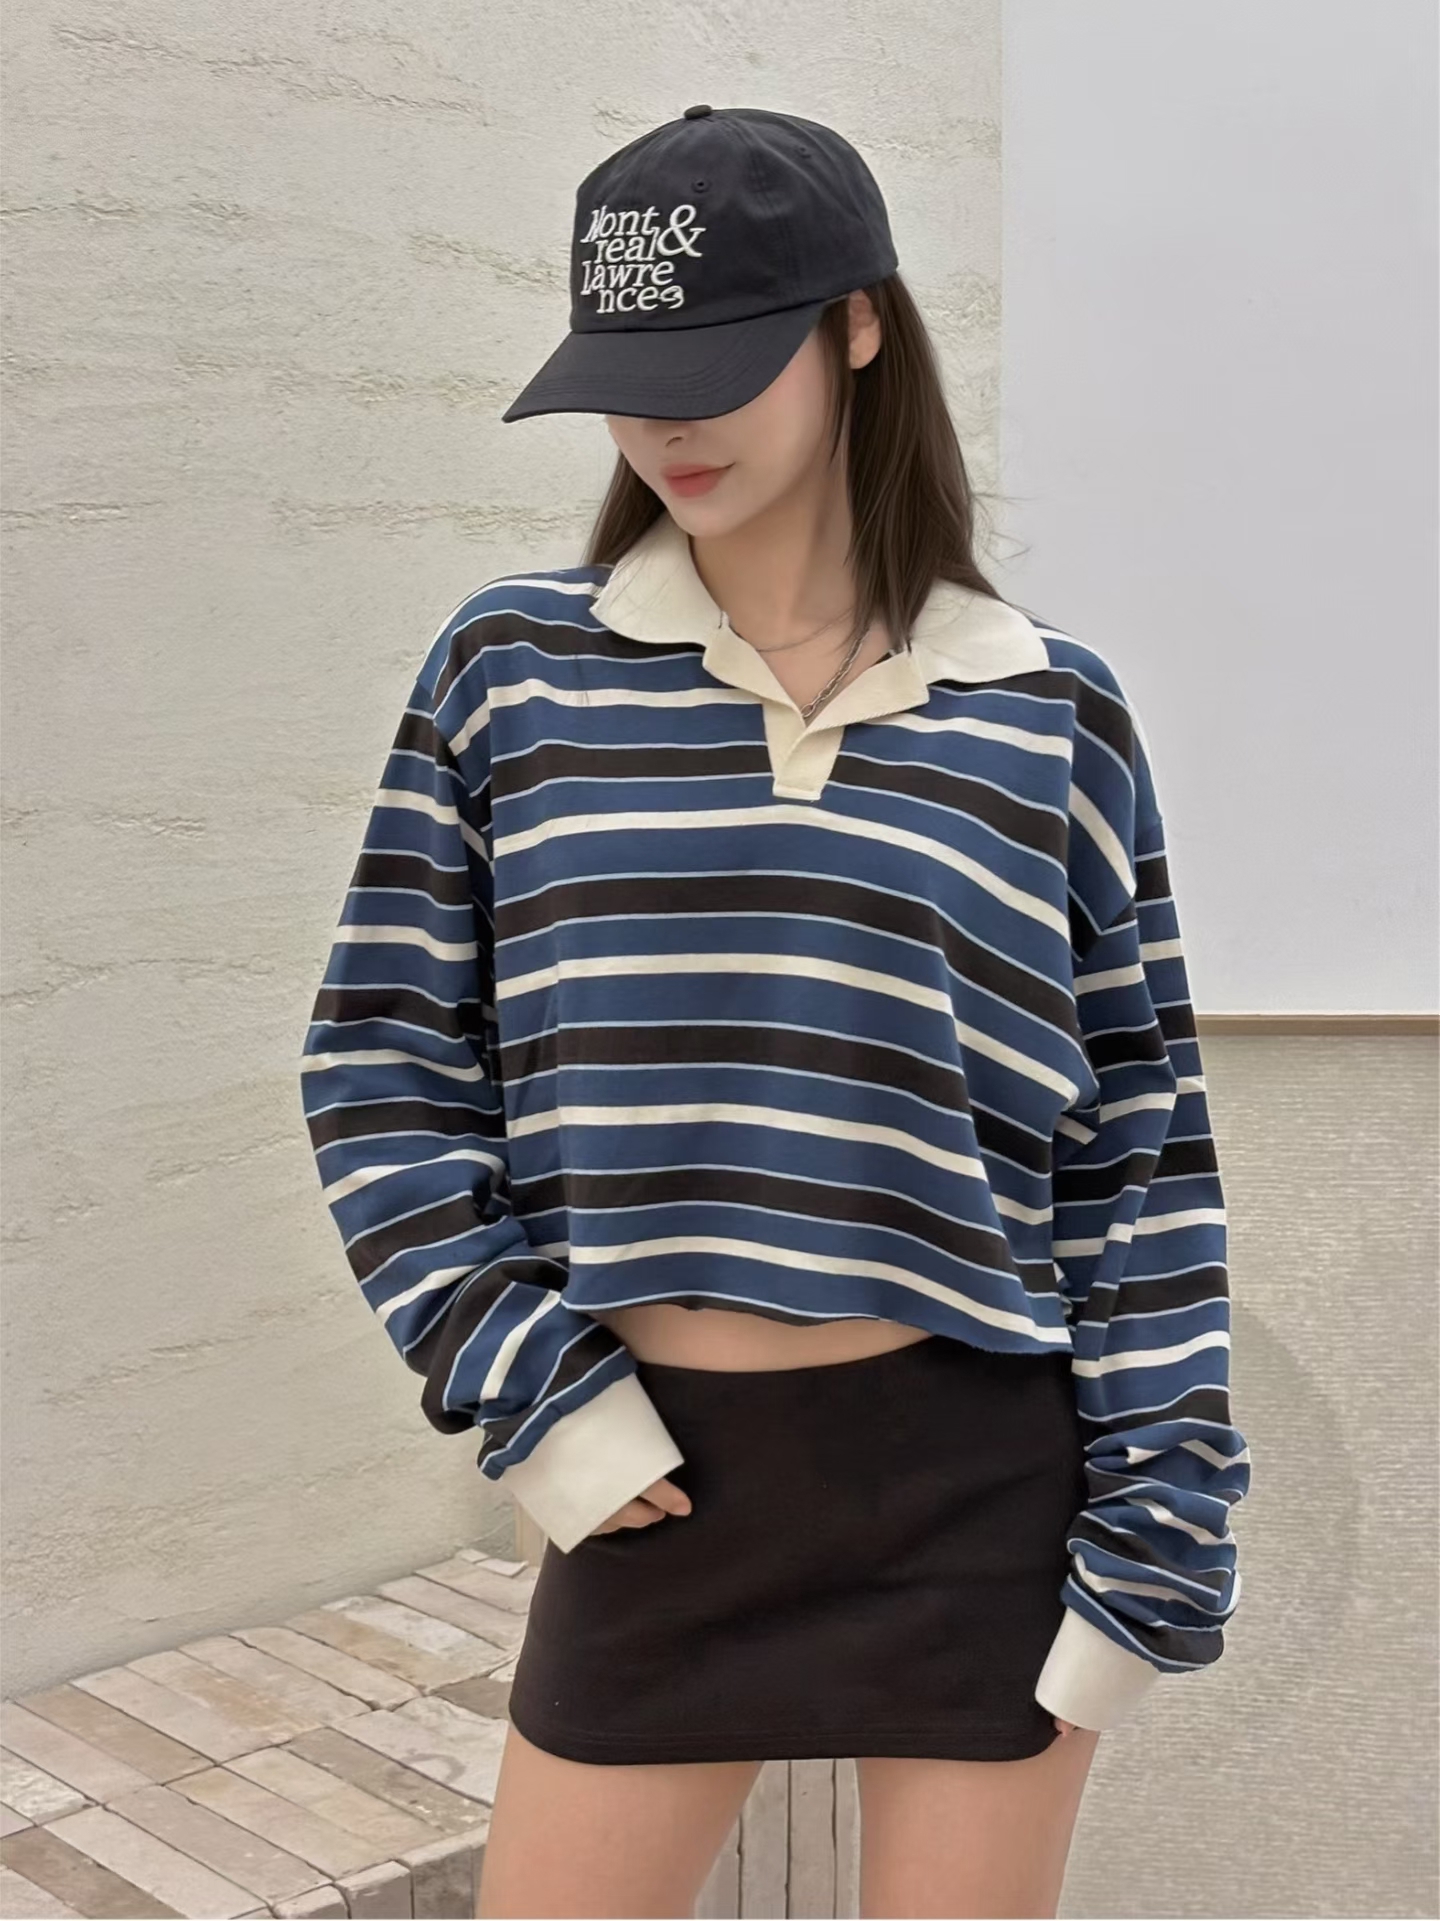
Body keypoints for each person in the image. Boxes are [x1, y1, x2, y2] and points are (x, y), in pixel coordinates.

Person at [299, 106, 1251, 1919]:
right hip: (652, 1478)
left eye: (720, 365)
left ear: (860, 326)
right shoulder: (512, 670)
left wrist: (1164, 1530)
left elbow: (1138, 1157)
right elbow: (380, 1064)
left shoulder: (1047, 708)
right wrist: (536, 1392)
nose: (667, 423)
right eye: (626, 377)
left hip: (978, 1491)